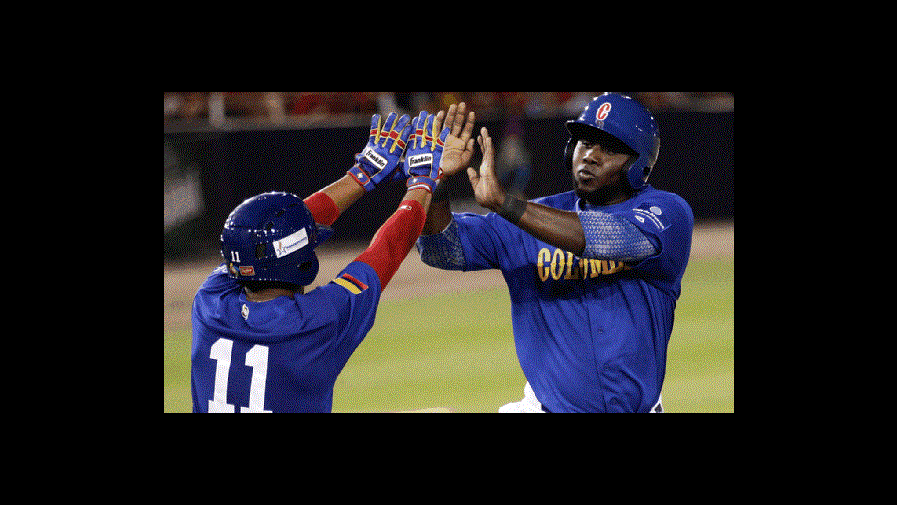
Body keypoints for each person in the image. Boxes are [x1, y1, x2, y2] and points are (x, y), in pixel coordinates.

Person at [416, 93, 693, 412]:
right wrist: (433, 184)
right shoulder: (532, 218)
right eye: (585, 143)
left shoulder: (667, 212)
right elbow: (442, 250)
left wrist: (508, 204)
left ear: (638, 163)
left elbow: (612, 238)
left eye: (609, 147)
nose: (590, 156)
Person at [191, 106, 472, 412]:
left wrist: (362, 175)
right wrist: (423, 180)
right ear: (298, 263)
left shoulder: (210, 299)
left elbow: (257, 240)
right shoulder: (318, 320)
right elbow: (386, 250)